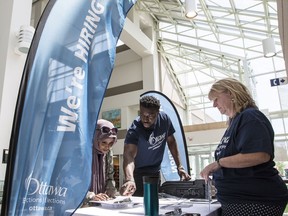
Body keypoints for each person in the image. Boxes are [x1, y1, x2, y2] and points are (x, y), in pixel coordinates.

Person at [200, 78, 288, 216]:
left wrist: (218, 163)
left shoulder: (251, 116)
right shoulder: (235, 121)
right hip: (240, 199)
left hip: (255, 200)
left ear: (230, 93)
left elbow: (259, 155)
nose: (214, 105)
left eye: (216, 99)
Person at [120, 95, 191, 196]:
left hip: (155, 172)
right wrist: (129, 179)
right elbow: (129, 155)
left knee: (154, 203)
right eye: (142, 114)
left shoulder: (165, 120)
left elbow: (171, 142)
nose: (145, 119)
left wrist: (180, 167)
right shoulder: (135, 129)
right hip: (137, 174)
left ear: (158, 113)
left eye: (150, 115)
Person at [83, 119, 118, 205]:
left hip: (101, 204)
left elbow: (110, 176)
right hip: (80, 206)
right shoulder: (82, 153)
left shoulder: (108, 153)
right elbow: (71, 183)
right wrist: (90, 196)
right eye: (104, 142)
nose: (107, 147)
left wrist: (111, 189)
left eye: (111, 143)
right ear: (95, 138)